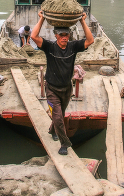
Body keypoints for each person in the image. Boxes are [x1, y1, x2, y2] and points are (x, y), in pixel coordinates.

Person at [31, 11, 94, 155]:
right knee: (58, 116)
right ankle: (65, 143)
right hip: (51, 89)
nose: (64, 38)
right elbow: (33, 36)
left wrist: (83, 21)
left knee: (60, 114)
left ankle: (53, 130)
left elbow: (90, 41)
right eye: (61, 35)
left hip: (67, 89)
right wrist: (41, 19)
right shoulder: (49, 47)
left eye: (66, 35)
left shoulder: (73, 47)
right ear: (56, 35)